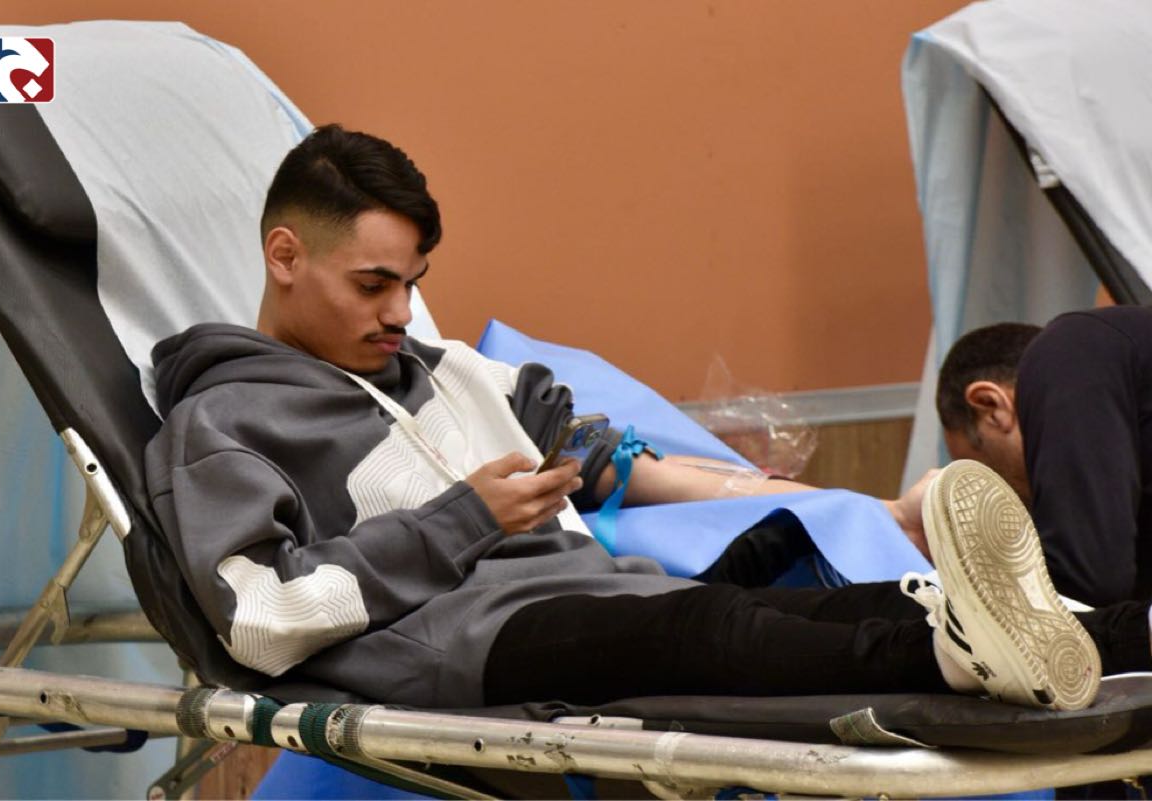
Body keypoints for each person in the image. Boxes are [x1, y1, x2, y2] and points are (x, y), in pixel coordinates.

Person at [144, 125, 1150, 715]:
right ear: (285, 256)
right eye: (374, 285)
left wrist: (800, 493)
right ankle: (962, 657)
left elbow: (596, 451)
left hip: (592, 589)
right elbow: (260, 619)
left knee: (841, 603)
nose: (402, 312)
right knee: (709, 627)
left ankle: (1112, 633)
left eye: (413, 283)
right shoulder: (221, 419)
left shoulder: (450, 374)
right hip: (460, 644)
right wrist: (464, 520)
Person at [938, 308, 1152, 608]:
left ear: (991, 405)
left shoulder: (1071, 347)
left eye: (990, 474)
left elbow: (1087, 581)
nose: (1017, 503)